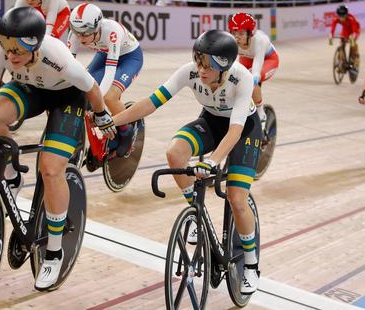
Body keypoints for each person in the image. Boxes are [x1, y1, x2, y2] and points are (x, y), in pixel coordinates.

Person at [0, 7, 116, 290]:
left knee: (50, 169)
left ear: (35, 46)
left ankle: (55, 252)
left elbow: (92, 88)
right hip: (29, 89)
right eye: (7, 50)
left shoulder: (56, 55)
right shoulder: (1, 52)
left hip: (66, 98)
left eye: (18, 52)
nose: (10, 57)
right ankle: (12, 175)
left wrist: (102, 114)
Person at [112, 30, 262, 294]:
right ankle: (197, 212)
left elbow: (235, 132)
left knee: (237, 199)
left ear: (224, 66)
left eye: (208, 65)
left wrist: (214, 161)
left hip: (244, 129)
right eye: (198, 61)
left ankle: (250, 263)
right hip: (213, 121)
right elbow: (151, 103)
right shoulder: (189, 72)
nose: (201, 69)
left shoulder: (242, 78)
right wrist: (111, 121)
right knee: (175, 152)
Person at [67, 3, 143, 158]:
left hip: (129, 57)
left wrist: (97, 103)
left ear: (97, 27)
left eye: (86, 33)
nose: (81, 38)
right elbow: (68, 66)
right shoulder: (75, 34)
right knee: (81, 92)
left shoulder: (112, 31)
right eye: (77, 32)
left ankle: (126, 131)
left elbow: (110, 72)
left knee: (109, 97)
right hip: (104, 54)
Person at [228, 12, 278, 126]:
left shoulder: (260, 40)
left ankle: (261, 114)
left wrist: (252, 79)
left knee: (252, 79)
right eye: (234, 32)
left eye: (241, 33)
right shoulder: (231, 41)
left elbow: (256, 70)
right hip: (246, 59)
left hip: (267, 60)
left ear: (250, 33)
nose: (236, 37)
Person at [329, 5, 361, 76]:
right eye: (339, 16)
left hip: (355, 30)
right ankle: (342, 61)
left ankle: (355, 61)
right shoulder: (336, 18)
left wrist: (353, 39)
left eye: (343, 16)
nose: (341, 18)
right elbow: (332, 29)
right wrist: (331, 36)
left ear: (346, 15)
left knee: (353, 44)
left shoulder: (351, 19)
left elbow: (355, 31)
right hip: (346, 30)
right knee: (342, 43)